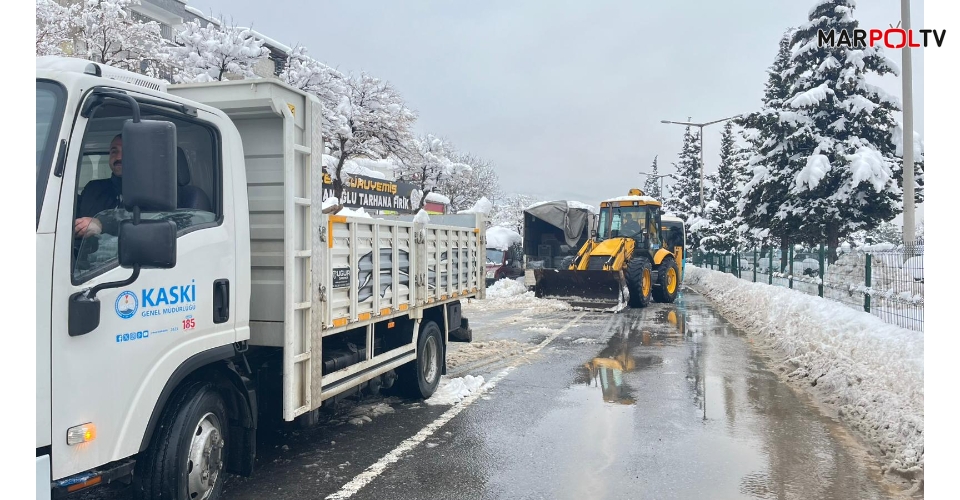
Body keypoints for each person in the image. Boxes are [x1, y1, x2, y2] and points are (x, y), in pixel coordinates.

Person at [75, 134, 124, 238]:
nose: (119, 157)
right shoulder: (93, 189)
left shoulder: (150, 191)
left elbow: (151, 220)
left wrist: (101, 224)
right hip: (85, 253)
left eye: (126, 151)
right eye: (114, 151)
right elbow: (68, 214)